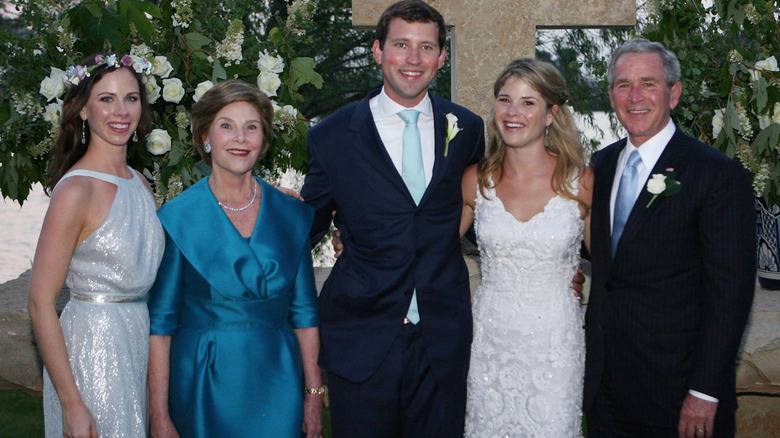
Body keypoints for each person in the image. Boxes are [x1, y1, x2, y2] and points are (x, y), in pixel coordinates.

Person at [299, 1, 485, 435]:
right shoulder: (332, 136)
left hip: (443, 337)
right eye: (402, 45)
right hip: (361, 337)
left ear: (442, 58)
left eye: (426, 48)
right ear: (378, 51)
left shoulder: (467, 129)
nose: (414, 59)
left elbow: (481, 213)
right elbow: (305, 228)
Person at [584, 38, 755, 438]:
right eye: (623, 85)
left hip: (680, 395)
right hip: (607, 391)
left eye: (649, 83)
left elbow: (730, 292)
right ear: (611, 95)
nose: (635, 96)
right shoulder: (600, 164)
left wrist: (705, 390)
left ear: (674, 93)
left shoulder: (717, 174)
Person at [147, 80, 322, 438]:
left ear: (264, 141)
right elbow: (160, 327)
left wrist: (314, 395)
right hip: (202, 381)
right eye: (226, 126)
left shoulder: (291, 215)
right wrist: (160, 417)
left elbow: (305, 314)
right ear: (205, 137)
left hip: (279, 378)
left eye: (251, 127)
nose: (240, 138)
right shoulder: (177, 219)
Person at [28, 53, 164, 438]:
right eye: (106, 99)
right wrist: (72, 404)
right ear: (83, 110)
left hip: (137, 342)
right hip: (91, 350)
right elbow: (40, 303)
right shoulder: (76, 190)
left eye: (131, 98)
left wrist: (263, 196)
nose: (121, 111)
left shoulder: (141, 183)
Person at [460, 58, 592, 437]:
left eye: (528, 102)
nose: (513, 112)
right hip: (490, 341)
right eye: (505, 100)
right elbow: (427, 246)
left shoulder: (580, 183)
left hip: (555, 344)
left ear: (551, 114)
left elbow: (619, 262)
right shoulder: (475, 181)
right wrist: (354, 235)